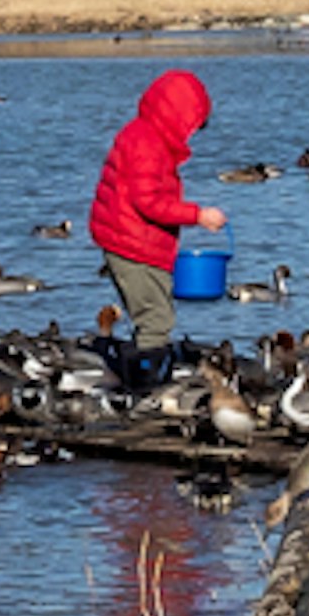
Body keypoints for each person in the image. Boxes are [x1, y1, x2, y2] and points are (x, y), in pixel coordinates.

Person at [91, 67, 224, 381]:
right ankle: (145, 385)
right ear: (178, 117)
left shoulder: (147, 136)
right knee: (156, 318)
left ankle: (137, 371)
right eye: (192, 126)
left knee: (154, 311)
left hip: (134, 241)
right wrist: (197, 215)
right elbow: (147, 202)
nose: (191, 134)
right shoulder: (147, 145)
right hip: (130, 243)